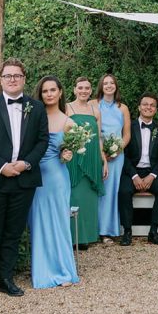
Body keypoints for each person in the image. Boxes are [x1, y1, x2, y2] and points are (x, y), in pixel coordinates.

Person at [0, 58, 49, 304]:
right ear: (1, 79)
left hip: (24, 179)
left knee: (13, 233)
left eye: (17, 75)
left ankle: (6, 279)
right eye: (8, 76)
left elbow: (42, 141)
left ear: (24, 79)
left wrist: (25, 164)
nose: (13, 79)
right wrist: (2, 166)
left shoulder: (36, 108)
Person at [28, 76, 80, 288]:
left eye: (52, 90)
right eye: (45, 91)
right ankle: (41, 271)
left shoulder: (69, 123)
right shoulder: (32, 117)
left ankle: (62, 270)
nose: (49, 94)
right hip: (34, 176)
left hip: (57, 177)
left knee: (58, 221)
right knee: (38, 221)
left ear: (60, 93)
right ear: (40, 94)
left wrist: (69, 154)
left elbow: (73, 151)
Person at [117, 93, 158, 246]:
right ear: (139, 107)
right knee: (124, 192)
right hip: (131, 171)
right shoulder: (128, 128)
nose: (149, 107)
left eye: (152, 105)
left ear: (156, 109)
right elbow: (123, 154)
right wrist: (134, 176)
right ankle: (127, 231)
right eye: (145, 104)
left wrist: (152, 175)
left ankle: (153, 231)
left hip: (152, 173)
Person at [65, 76, 106, 250]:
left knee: (89, 199)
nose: (83, 91)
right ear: (74, 89)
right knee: (74, 196)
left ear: (91, 91)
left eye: (87, 88)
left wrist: (103, 160)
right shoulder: (67, 108)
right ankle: (73, 237)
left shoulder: (95, 110)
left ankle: (87, 237)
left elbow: (99, 138)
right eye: (80, 87)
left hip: (92, 158)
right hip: (74, 159)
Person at [91, 74, 130, 243]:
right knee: (95, 189)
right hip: (95, 152)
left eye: (111, 83)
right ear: (101, 86)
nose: (108, 86)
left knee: (110, 192)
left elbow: (126, 134)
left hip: (116, 156)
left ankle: (107, 230)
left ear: (116, 86)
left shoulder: (123, 108)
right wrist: (101, 152)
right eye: (105, 83)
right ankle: (92, 229)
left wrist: (116, 150)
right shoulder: (94, 105)